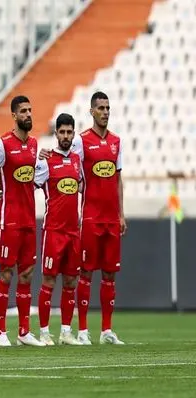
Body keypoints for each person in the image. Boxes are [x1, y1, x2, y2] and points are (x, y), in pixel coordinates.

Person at [40, 92, 126, 345]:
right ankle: (83, 330)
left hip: (111, 219)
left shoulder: (116, 142)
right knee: (84, 274)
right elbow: (64, 156)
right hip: (89, 218)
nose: (105, 112)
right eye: (101, 108)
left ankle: (106, 330)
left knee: (110, 275)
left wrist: (121, 214)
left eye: (108, 107)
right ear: (92, 111)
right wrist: (45, 155)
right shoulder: (81, 141)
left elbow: (118, 179)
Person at [0, 95, 45, 347]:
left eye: (30, 110)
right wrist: (2, 186)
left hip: (28, 219)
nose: (28, 114)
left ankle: (24, 331)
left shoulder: (34, 144)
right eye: (23, 111)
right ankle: (1, 333)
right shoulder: (3, 144)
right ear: (14, 115)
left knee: (26, 274)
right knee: (6, 273)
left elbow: (32, 178)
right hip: (9, 220)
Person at [34, 113, 83, 346]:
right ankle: (44, 332)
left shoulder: (77, 160)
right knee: (49, 281)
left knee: (71, 282)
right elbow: (30, 184)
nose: (65, 136)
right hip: (53, 231)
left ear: (73, 134)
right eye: (62, 132)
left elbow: (80, 185)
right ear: (56, 134)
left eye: (69, 132)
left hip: (74, 232)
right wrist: (37, 160)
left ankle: (66, 332)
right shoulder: (46, 161)